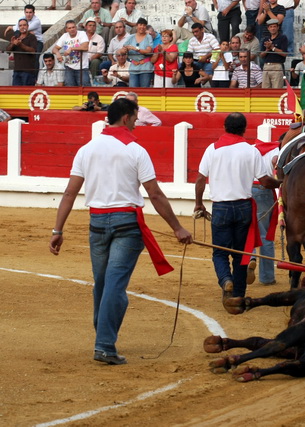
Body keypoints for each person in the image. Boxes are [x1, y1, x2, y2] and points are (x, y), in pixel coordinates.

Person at [49, 98, 192, 365]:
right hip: (127, 224)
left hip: (97, 223)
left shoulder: (87, 149)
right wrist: (177, 227)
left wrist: (58, 229)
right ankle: (104, 344)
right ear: (126, 118)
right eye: (136, 117)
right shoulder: (136, 149)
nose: (137, 122)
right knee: (114, 285)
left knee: (102, 284)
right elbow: (155, 194)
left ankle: (102, 336)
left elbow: (70, 192)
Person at [194, 112, 280, 313]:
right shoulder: (250, 151)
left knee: (220, 252)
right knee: (241, 253)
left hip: (221, 207)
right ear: (244, 129)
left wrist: (199, 204)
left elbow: (200, 180)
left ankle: (226, 281)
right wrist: (281, 183)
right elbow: (266, 181)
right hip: (243, 207)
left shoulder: (212, 149)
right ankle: (239, 295)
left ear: (225, 127)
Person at [247, 140, 280, 286]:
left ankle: (250, 258)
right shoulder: (277, 150)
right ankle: (267, 277)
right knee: (265, 234)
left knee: (248, 229)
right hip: (263, 190)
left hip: (246, 190)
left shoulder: (251, 148)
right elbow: (276, 161)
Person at [52, 20, 90, 87]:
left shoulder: (82, 33)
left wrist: (71, 48)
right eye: (69, 28)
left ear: (76, 27)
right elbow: (54, 49)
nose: (72, 29)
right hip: (69, 67)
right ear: (66, 29)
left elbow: (85, 47)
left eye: (73, 27)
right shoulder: (64, 36)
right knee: (70, 89)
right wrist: (58, 53)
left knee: (85, 88)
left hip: (82, 67)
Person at [120, 18, 154, 87]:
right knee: (132, 90)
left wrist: (135, 49)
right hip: (134, 67)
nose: (142, 27)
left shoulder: (148, 37)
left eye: (144, 25)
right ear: (136, 26)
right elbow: (123, 49)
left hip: (145, 67)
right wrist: (124, 50)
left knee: (144, 92)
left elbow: (149, 51)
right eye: (140, 24)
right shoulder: (131, 37)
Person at [6, 18, 38, 86]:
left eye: (24, 25)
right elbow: (7, 51)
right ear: (18, 27)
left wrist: (21, 45)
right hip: (17, 71)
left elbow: (33, 51)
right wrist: (12, 44)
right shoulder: (15, 37)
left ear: (28, 26)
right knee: (16, 94)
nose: (22, 27)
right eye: (20, 25)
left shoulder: (32, 37)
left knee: (27, 93)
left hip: (28, 71)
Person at [260, 19, 288, 88]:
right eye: (271, 27)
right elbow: (261, 55)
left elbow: (284, 53)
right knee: (265, 88)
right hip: (266, 65)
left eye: (274, 26)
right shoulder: (265, 39)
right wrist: (267, 49)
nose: (273, 28)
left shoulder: (282, 38)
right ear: (268, 28)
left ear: (278, 27)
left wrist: (273, 48)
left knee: (277, 88)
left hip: (277, 65)